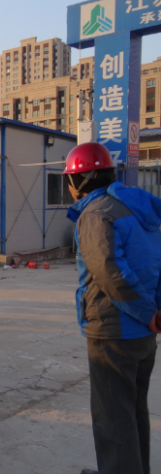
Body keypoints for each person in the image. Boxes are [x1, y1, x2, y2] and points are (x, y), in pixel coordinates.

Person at [63, 142, 161, 474]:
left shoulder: (95, 214)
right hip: (144, 333)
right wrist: (155, 312)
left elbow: (109, 272)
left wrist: (148, 313)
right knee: (132, 411)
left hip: (113, 331)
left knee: (113, 419)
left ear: (79, 181)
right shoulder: (139, 208)